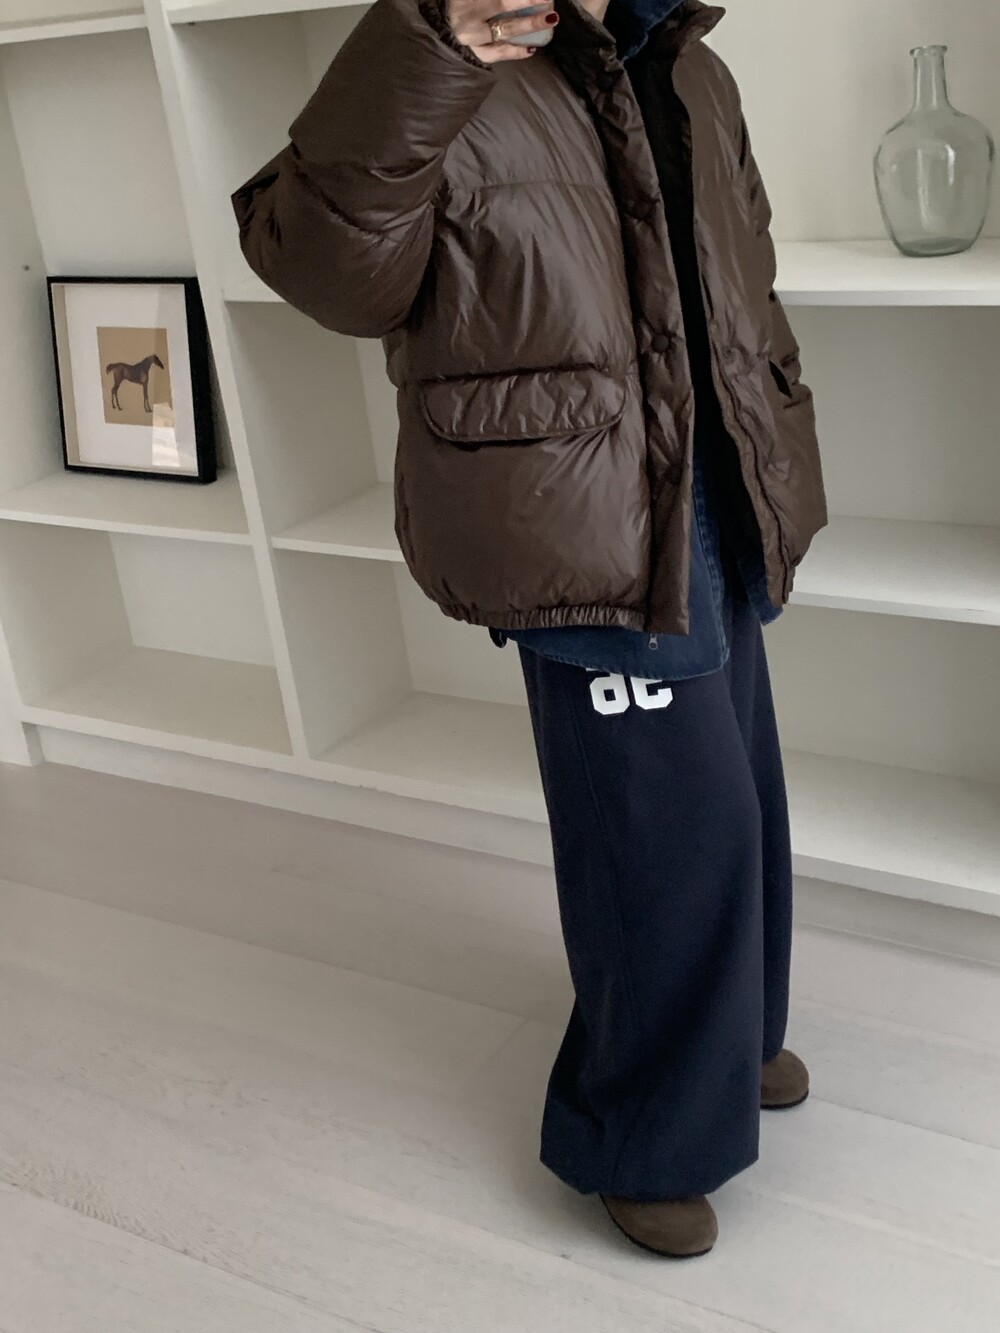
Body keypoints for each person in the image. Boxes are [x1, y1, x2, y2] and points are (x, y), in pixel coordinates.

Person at [231, 0, 828, 1259]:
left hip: (718, 485)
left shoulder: (697, 68)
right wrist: (426, 53)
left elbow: (747, 265)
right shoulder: (449, 56)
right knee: (661, 837)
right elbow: (321, 269)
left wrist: (772, 431)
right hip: (577, 507)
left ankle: (731, 1040)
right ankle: (643, 1130)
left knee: (743, 794)